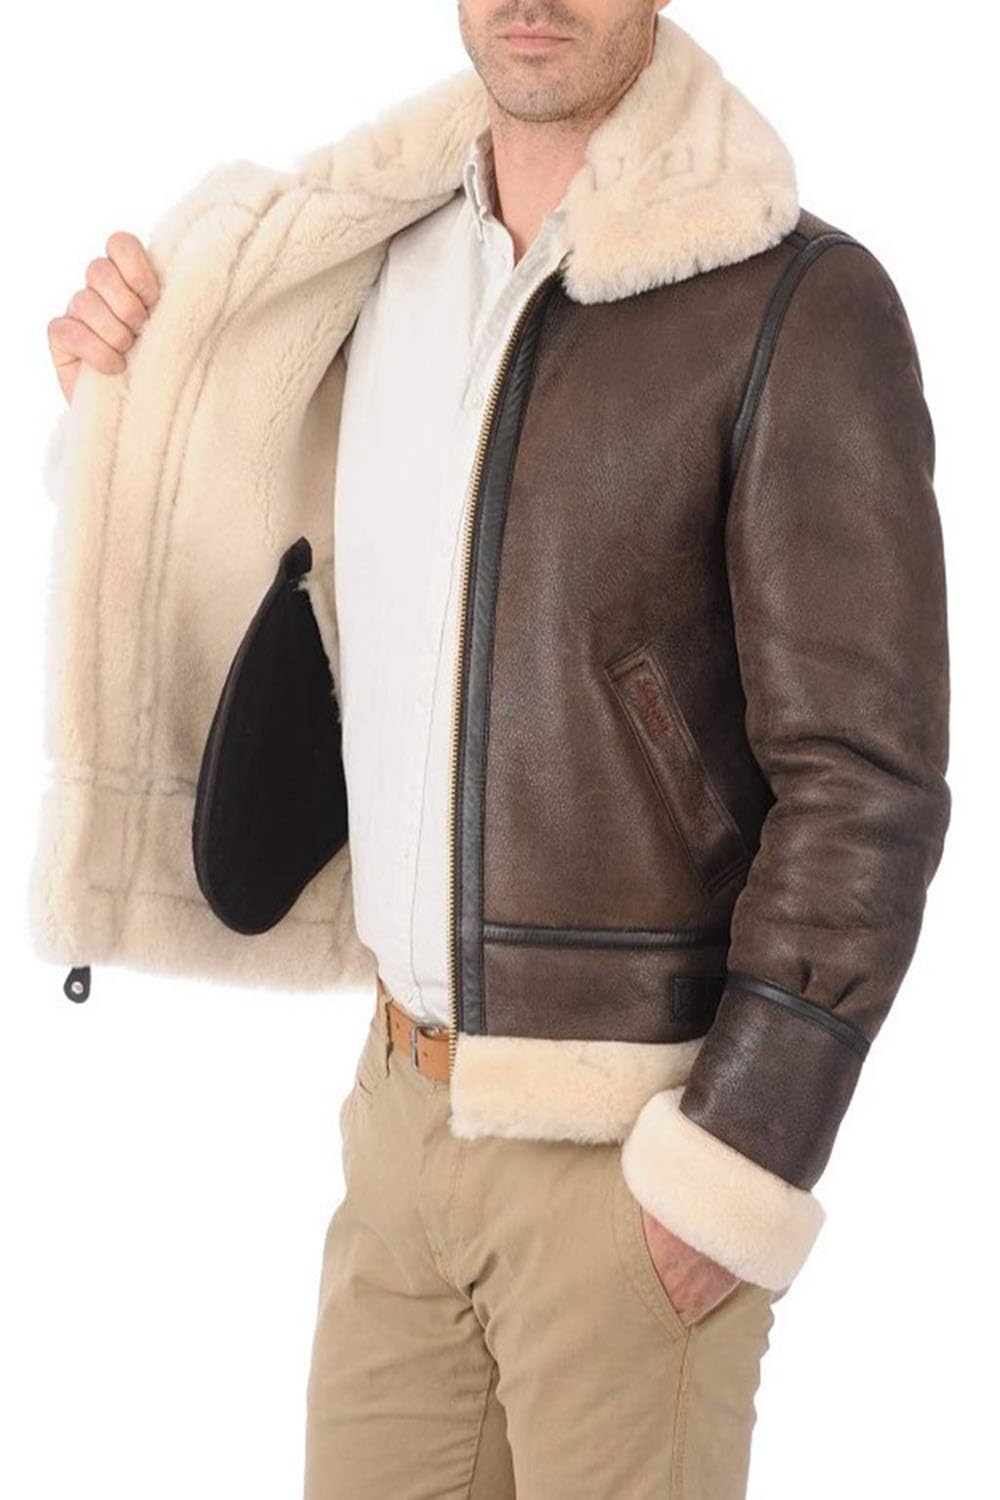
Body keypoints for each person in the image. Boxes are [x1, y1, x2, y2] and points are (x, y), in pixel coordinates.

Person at [39, 3, 950, 1496]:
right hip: (399, 1116)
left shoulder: (793, 302)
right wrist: (129, 412)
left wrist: (730, 1165)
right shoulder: (372, 261)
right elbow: (283, 582)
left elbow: (870, 785)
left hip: (629, 1153)